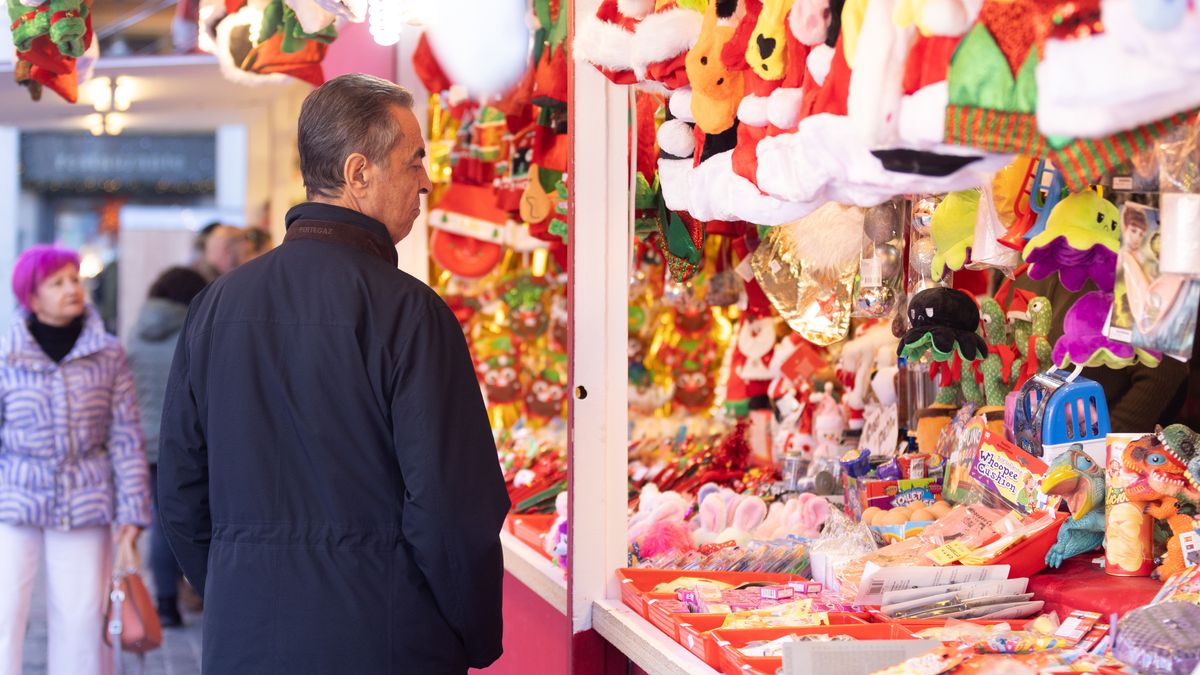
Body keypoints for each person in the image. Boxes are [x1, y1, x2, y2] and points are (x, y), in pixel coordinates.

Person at [158, 74, 509, 674]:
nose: (426, 180)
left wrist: (236, 587)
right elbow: (453, 510)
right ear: (357, 173)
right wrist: (473, 638)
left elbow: (181, 490)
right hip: (385, 637)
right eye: (415, 159)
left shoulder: (216, 306)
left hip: (246, 637)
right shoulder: (412, 314)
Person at [0, 245, 151, 675]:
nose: (72, 289)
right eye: (58, 282)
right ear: (31, 295)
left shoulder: (107, 353)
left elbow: (125, 436)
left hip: (86, 499)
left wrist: (133, 512)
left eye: (75, 280)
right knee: (4, 613)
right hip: (13, 501)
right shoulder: (6, 353)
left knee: (82, 619)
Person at [124, 266, 208, 628]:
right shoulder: (193, 327)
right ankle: (190, 595)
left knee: (160, 521)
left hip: (143, 442)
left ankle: (166, 604)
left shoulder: (137, 332)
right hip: (181, 440)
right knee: (183, 516)